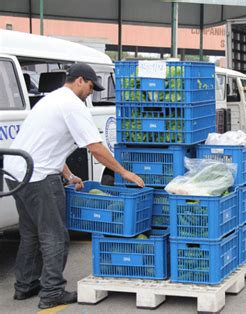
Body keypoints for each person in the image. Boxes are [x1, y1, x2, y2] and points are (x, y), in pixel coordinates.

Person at [3, 63, 145, 310]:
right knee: (55, 236)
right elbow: (95, 147)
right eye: (91, 86)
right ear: (80, 80)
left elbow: (47, 145)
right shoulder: (72, 105)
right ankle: (52, 292)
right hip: (38, 177)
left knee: (31, 233)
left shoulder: (51, 100)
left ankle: (25, 286)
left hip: (17, 173)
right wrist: (124, 172)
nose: (92, 91)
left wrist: (69, 175)